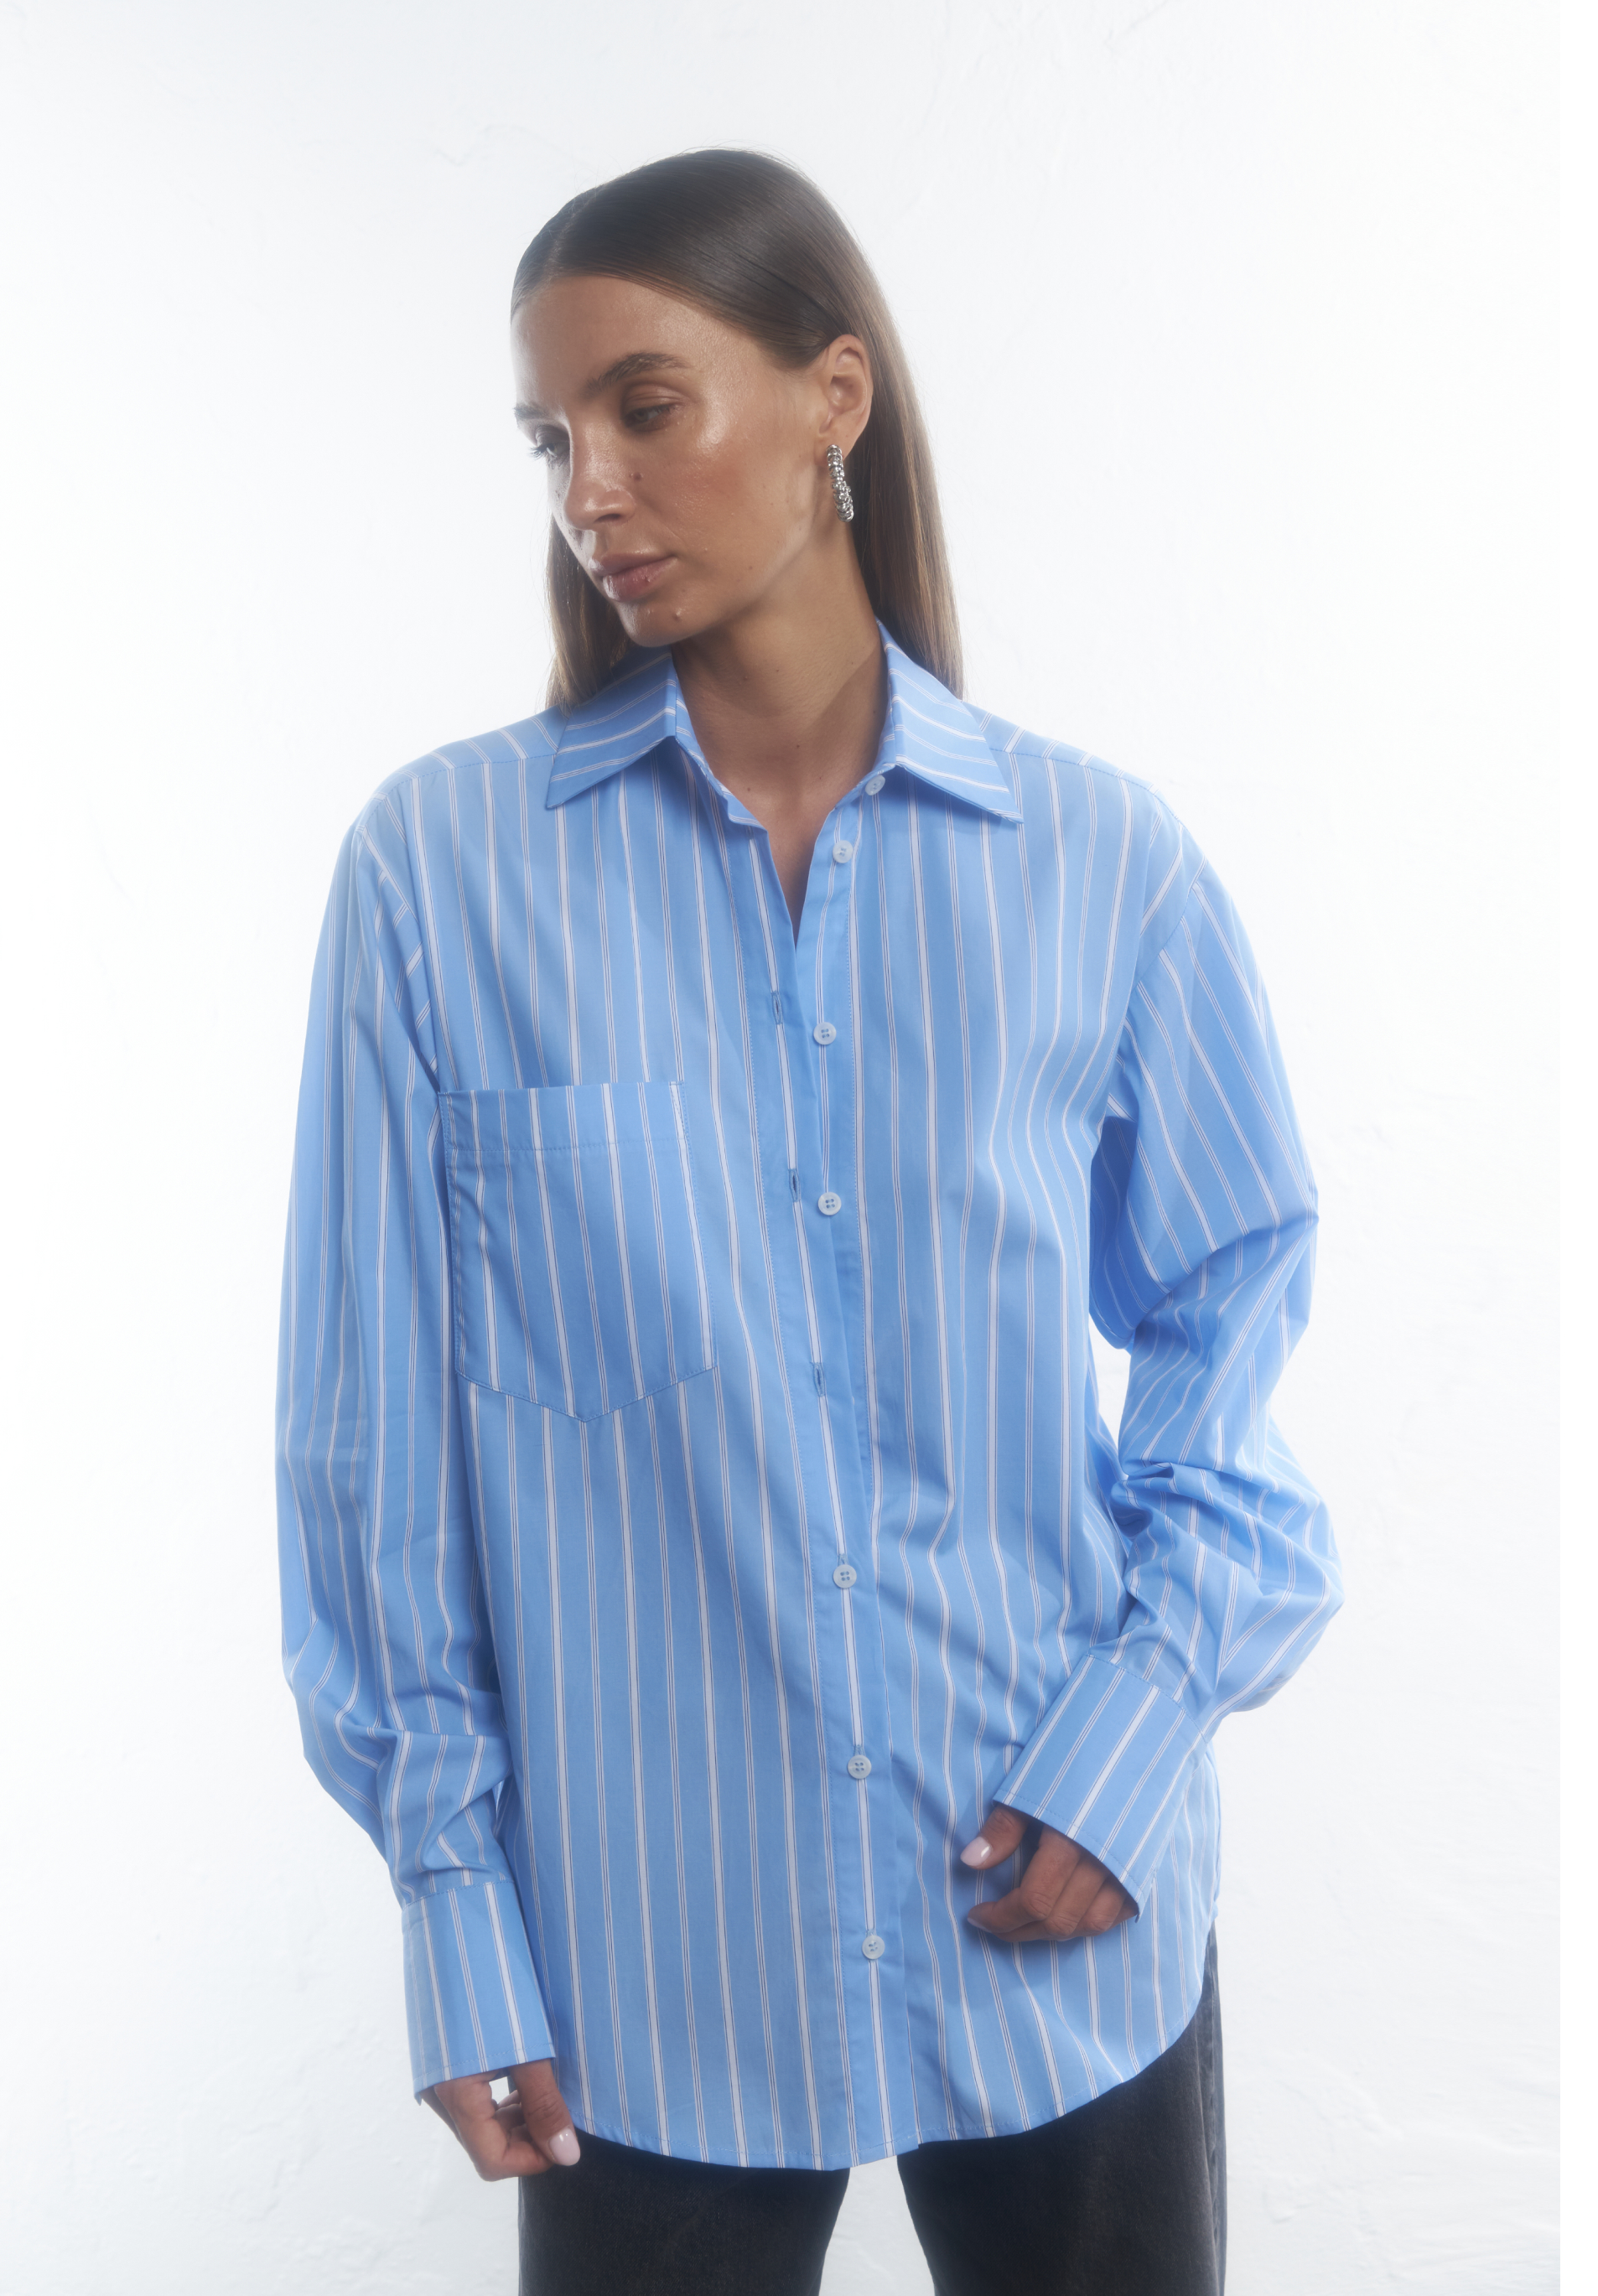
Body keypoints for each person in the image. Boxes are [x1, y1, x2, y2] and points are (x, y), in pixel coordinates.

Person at [277, 148, 1341, 2296]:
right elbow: (372, 1459)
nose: (590, 488)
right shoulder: (437, 881)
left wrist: (1138, 1734)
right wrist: (452, 1897)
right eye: (550, 438)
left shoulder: (1103, 868)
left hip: (1057, 1895)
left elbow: (1234, 1321)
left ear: (833, 397)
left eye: (645, 407)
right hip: (649, 1969)